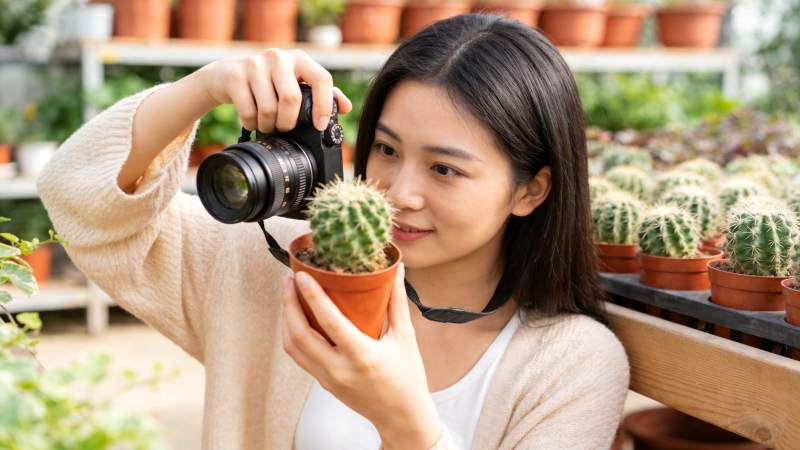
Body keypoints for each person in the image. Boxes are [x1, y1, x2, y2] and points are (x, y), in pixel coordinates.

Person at [37, 13, 629, 450]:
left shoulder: (571, 364)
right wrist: (203, 89)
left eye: (445, 168)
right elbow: (80, 203)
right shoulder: (273, 274)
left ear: (532, 189)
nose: (398, 192)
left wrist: (406, 425)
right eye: (387, 149)